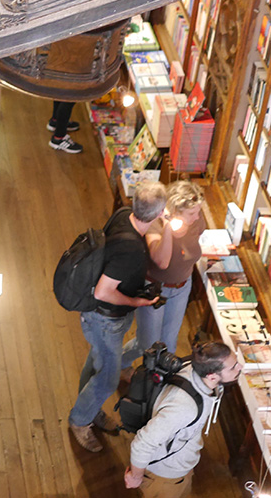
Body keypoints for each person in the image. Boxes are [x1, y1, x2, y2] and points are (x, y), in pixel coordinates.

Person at [68, 181, 167, 453]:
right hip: (104, 319)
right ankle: (80, 420)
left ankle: (90, 408)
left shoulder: (124, 214)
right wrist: (136, 301)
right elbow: (103, 292)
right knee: (108, 379)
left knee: (96, 365)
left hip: (102, 319)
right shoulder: (132, 250)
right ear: (160, 214)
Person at [125, 341, 242, 497]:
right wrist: (135, 477)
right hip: (166, 477)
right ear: (212, 376)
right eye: (233, 367)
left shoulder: (193, 366)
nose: (240, 367)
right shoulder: (183, 408)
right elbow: (142, 444)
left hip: (180, 466)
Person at [123, 181, 206, 371]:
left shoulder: (196, 223)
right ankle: (120, 363)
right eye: (191, 214)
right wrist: (168, 228)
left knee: (169, 342)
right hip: (154, 289)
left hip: (182, 287)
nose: (197, 218)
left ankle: (157, 384)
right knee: (148, 344)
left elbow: (190, 248)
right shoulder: (155, 224)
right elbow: (162, 262)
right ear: (174, 211)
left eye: (198, 212)